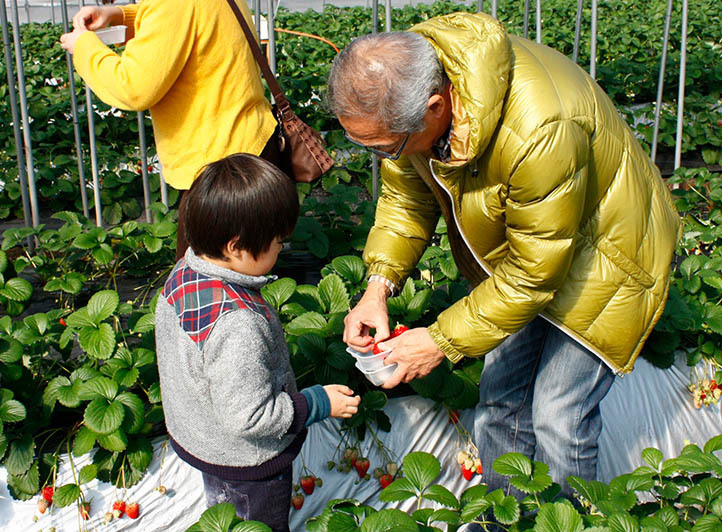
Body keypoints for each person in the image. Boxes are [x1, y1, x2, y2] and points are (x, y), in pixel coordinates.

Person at [329, 12, 681, 503]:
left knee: (559, 412)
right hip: (529, 249)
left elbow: (535, 274)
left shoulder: (538, 127)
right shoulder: (412, 102)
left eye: (385, 146)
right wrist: (376, 288)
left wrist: (440, 340)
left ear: (435, 108)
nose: (382, 156)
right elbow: (407, 203)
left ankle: (571, 516)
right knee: (499, 399)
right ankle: (504, 512)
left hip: (605, 255)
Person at [154, 153, 360, 531]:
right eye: (277, 241)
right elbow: (251, 416)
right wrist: (318, 402)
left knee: (225, 512)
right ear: (235, 247)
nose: (282, 248)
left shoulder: (184, 272)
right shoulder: (237, 324)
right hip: (247, 463)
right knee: (256, 523)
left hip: (204, 437)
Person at [58, 0, 279, 258]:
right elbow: (183, 19)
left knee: (202, 290)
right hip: (251, 145)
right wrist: (120, 15)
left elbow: (133, 87)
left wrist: (85, 47)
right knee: (246, 277)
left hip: (220, 172)